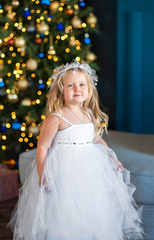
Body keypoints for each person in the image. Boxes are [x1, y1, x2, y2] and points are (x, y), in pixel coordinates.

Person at [9, 60, 145, 240]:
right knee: (64, 209)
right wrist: (43, 174)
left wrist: (113, 157)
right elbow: (43, 146)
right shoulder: (56, 117)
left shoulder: (89, 113)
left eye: (82, 84)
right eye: (71, 85)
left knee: (90, 205)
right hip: (64, 169)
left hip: (90, 168)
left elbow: (96, 138)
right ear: (61, 90)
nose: (77, 89)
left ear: (89, 88)